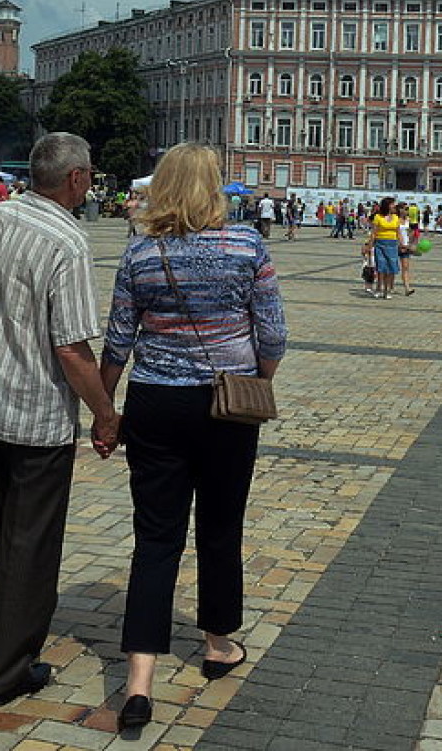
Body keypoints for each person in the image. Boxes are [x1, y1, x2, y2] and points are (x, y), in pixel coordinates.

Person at [98, 143, 286, 733]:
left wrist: (106, 411)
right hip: (228, 405)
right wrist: (255, 379)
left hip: (155, 402)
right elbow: (274, 335)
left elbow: (117, 342)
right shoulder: (248, 246)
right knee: (222, 526)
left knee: (155, 539)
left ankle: (139, 682)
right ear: (214, 187)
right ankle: (217, 643)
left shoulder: (140, 252)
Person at [0, 132, 118, 708]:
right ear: (76, 179)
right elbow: (71, 347)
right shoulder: (67, 240)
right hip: (38, 413)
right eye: (89, 173)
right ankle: (8, 670)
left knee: (8, 535)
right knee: (33, 545)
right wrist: (106, 412)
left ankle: (7, 639)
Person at [365, 196, 401, 300]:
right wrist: (369, 246)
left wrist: (402, 244)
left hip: (392, 244)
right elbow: (374, 233)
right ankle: (378, 288)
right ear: (387, 205)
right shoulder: (378, 217)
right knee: (381, 268)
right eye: (392, 204)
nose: (394, 206)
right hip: (380, 244)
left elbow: (398, 232)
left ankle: (387, 290)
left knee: (391, 268)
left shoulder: (395, 217)